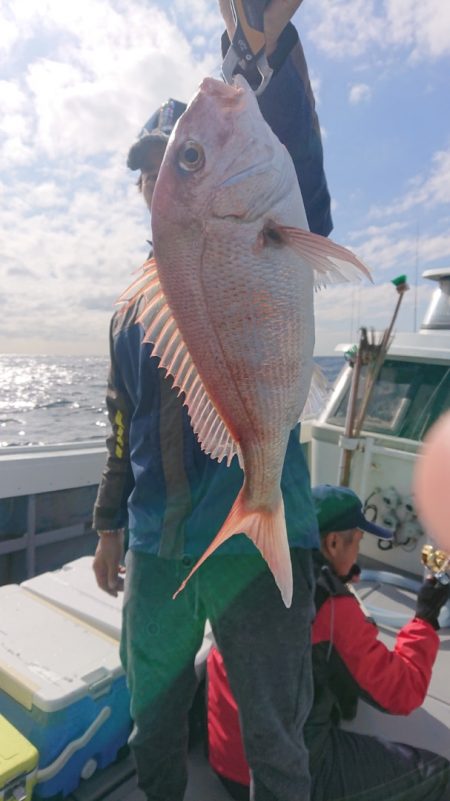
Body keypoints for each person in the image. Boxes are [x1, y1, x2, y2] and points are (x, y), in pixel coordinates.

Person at [92, 2, 332, 800]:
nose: (151, 176)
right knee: (150, 718)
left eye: (169, 159)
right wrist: (107, 529)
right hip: (158, 545)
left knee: (275, 731)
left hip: (254, 537)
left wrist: (264, 48)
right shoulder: (132, 309)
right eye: (147, 168)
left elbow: (300, 188)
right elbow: (118, 425)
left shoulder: (263, 204)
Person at [206, 484, 450, 801]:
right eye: (357, 543)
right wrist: (426, 617)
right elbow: (402, 693)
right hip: (283, 781)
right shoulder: (331, 608)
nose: (358, 552)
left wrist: (337, 575)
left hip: (227, 760)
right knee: (440, 773)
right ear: (333, 542)